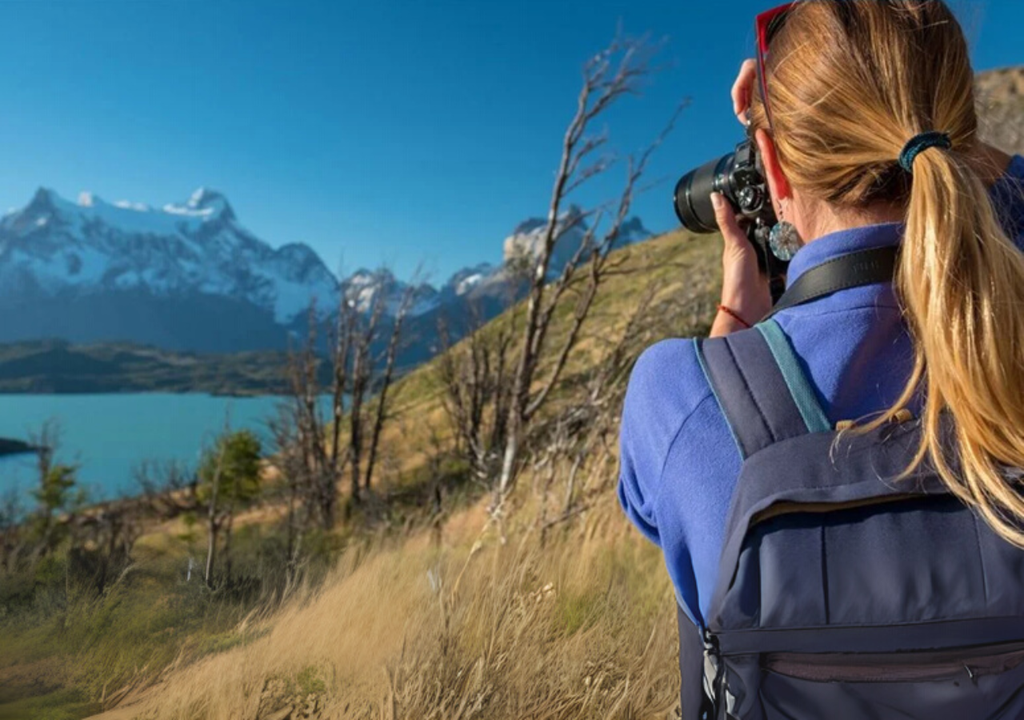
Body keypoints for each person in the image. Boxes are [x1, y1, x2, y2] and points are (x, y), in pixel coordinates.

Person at [619, 1, 1024, 718]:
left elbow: (677, 503)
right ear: (962, 142)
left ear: (772, 169)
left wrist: (739, 314)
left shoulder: (674, 393)